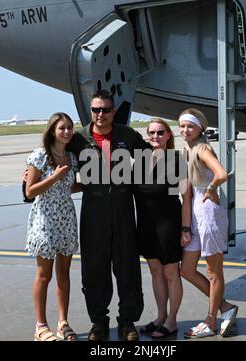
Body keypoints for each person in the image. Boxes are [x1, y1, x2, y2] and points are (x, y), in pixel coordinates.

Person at [68, 90, 149, 341]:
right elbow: (55, 155)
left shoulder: (128, 135)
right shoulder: (79, 138)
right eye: (95, 110)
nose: (100, 114)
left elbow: (153, 158)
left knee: (127, 266)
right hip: (93, 210)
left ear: (113, 111)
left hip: (123, 208)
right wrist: (30, 178)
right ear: (91, 111)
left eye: (105, 109)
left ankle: (127, 322)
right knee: (94, 268)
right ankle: (99, 323)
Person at [178, 108, 238, 338]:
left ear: (200, 128)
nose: (185, 130)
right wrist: (185, 226)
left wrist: (212, 188)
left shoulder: (202, 149)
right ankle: (225, 308)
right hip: (195, 214)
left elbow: (222, 173)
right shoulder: (189, 149)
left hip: (209, 212)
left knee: (214, 272)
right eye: (182, 126)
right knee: (187, 269)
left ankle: (211, 320)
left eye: (190, 126)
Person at [25, 112, 80, 341]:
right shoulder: (39, 156)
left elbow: (70, 188)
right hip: (45, 220)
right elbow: (30, 191)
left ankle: (63, 322)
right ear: (52, 131)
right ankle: (40, 326)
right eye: (61, 128)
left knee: (64, 274)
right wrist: (55, 176)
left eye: (69, 128)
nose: (66, 132)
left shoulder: (71, 157)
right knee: (44, 275)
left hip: (66, 218)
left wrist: (92, 183)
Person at [135, 118, 186, 338]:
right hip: (146, 225)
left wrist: (185, 229)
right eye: (151, 133)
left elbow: (187, 196)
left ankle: (172, 321)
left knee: (171, 273)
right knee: (156, 272)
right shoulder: (140, 161)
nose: (155, 136)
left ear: (168, 136)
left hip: (169, 225)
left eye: (160, 132)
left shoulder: (176, 160)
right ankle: (160, 316)